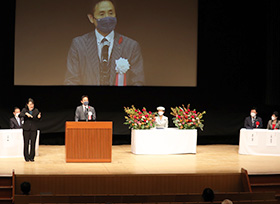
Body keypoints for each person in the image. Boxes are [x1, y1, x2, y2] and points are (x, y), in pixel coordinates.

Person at [64, 0, 145, 86]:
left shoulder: (131, 46)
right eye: (102, 14)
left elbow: (138, 83)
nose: (107, 18)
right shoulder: (79, 45)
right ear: (91, 18)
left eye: (111, 13)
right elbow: (71, 81)